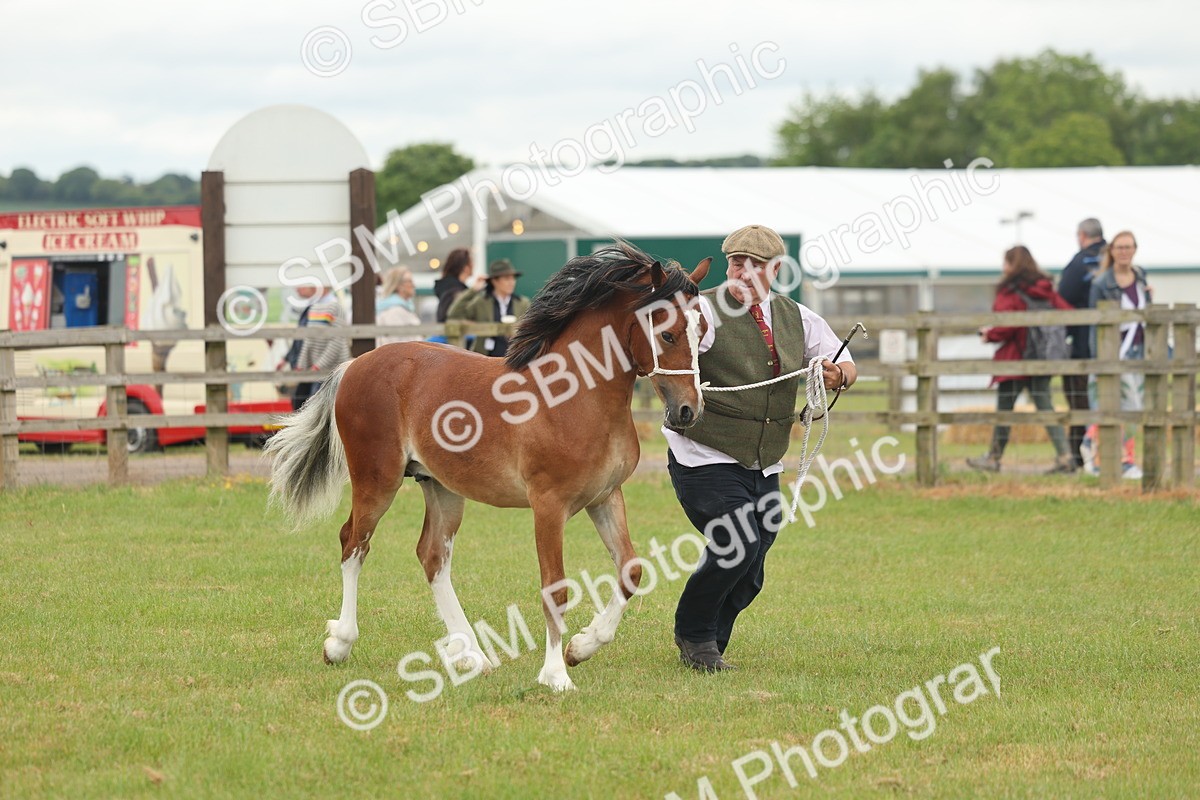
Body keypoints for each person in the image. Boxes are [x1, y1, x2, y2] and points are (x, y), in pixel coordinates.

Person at [666, 224, 857, 672]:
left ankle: (711, 636)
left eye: (756, 265)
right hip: (706, 454)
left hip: (764, 460)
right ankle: (696, 638)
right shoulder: (704, 314)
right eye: (736, 262)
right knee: (740, 541)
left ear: (775, 269)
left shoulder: (795, 316)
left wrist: (839, 375)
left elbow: (845, 361)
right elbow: (672, 354)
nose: (744, 272)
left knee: (754, 566)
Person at [968, 246, 1075, 475]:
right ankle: (1065, 456)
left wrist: (990, 334)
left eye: (1005, 262)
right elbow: (1068, 312)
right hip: (1042, 357)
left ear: (1011, 265)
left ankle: (994, 457)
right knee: (1046, 407)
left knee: (1004, 410)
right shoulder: (1045, 289)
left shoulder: (1010, 291)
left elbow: (1005, 325)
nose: (1003, 267)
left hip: (1014, 359)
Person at [1081, 231, 1150, 479]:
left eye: (1128, 247)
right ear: (1111, 250)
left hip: (1138, 352)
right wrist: (1098, 359)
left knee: (1133, 407)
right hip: (1113, 352)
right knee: (1113, 405)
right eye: (1119, 247)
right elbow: (1095, 324)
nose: (1124, 251)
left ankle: (1111, 451)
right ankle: (1115, 458)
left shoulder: (1140, 278)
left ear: (1134, 249)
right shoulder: (1101, 284)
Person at [1056, 219, 1105, 469]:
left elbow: (1062, 298)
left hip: (1083, 346)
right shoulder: (1114, 259)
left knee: (1079, 401)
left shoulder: (1079, 263)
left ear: (1082, 235)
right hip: (1116, 348)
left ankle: (1077, 456)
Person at [445, 258, 530, 357]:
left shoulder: (523, 303)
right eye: (507, 278)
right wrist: (473, 290)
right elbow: (454, 314)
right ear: (495, 281)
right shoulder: (481, 302)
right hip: (485, 359)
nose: (512, 282)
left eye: (513, 278)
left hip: (515, 358)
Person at [291, 283, 350, 410]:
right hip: (316, 369)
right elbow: (309, 339)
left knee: (320, 405)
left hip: (332, 368)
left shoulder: (335, 307)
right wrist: (302, 365)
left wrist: (318, 365)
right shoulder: (314, 307)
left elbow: (337, 340)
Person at [375, 266, 422, 347]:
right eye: (409, 281)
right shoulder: (394, 311)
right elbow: (395, 345)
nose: (414, 285)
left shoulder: (405, 308)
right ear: (399, 286)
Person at [434, 248, 473, 323]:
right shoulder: (454, 292)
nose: (473, 265)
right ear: (465, 267)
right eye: (471, 262)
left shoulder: (447, 288)